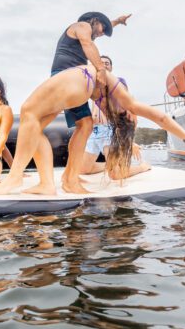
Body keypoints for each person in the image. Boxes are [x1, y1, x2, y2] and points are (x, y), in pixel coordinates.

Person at [0, 63, 185, 196]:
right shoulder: (119, 106)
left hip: (81, 84)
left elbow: (160, 117)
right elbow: (157, 118)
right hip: (81, 89)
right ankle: (45, 184)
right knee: (33, 126)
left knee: (28, 111)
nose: (135, 116)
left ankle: (15, 177)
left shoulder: (125, 101)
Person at [50, 11, 132, 194]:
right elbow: (88, 42)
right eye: (103, 29)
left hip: (71, 79)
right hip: (68, 78)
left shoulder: (85, 29)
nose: (102, 34)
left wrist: (117, 21)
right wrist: (101, 69)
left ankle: (68, 176)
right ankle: (70, 180)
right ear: (94, 21)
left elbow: (98, 32)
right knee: (86, 124)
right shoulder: (82, 26)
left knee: (83, 125)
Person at [80, 55, 151, 180]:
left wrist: (129, 140)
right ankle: (108, 165)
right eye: (101, 62)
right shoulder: (93, 85)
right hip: (95, 132)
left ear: (111, 67)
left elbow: (129, 109)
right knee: (84, 169)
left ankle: (143, 167)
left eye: (107, 63)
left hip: (109, 131)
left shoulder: (118, 83)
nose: (104, 64)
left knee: (115, 175)